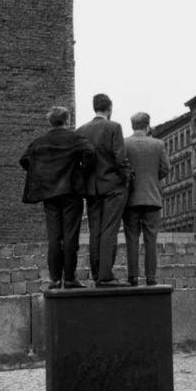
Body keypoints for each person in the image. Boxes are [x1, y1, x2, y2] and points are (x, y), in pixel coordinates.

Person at [20, 106, 93, 289]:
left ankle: (55, 278)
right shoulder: (74, 138)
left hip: (49, 194)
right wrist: (81, 171)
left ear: (50, 122)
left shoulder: (39, 142)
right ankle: (69, 277)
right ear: (67, 120)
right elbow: (90, 152)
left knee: (54, 237)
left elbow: (25, 160)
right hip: (70, 192)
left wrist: (43, 174)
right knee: (70, 236)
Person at [76, 94, 132, 286]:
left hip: (92, 189)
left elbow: (80, 161)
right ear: (109, 108)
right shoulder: (114, 127)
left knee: (95, 231)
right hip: (113, 187)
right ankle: (106, 275)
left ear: (94, 108)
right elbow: (120, 158)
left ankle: (97, 273)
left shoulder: (81, 130)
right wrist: (126, 178)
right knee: (110, 230)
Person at [122, 112, 169, 286]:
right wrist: (152, 177)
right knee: (151, 240)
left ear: (132, 125)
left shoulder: (124, 144)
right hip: (152, 198)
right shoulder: (158, 144)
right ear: (148, 125)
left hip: (131, 199)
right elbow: (165, 168)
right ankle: (151, 277)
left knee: (131, 239)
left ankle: (132, 277)